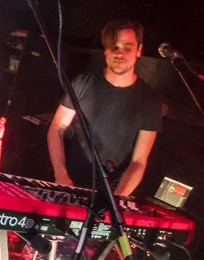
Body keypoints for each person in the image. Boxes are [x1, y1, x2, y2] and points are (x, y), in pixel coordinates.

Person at [47, 18, 161, 198]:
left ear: (139, 50)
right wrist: (60, 174)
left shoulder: (149, 100)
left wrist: (116, 198)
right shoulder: (82, 84)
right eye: (114, 47)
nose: (119, 53)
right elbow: (57, 128)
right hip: (70, 183)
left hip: (113, 191)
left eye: (127, 48)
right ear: (105, 51)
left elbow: (139, 161)